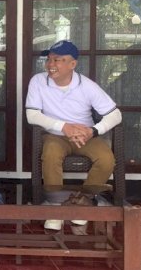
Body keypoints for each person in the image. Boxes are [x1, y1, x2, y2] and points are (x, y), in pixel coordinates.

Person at [26, 39, 122, 232]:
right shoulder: (38, 81)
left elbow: (115, 115)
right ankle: (55, 208)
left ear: (72, 64)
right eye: (49, 59)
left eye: (58, 60)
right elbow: (32, 115)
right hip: (54, 135)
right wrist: (64, 127)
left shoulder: (86, 85)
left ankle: (82, 202)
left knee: (106, 159)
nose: (51, 65)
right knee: (51, 154)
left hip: (85, 136)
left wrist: (93, 131)